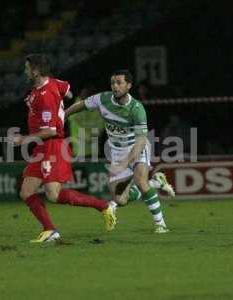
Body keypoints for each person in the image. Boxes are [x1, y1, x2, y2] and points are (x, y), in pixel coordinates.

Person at [11, 54, 117, 244]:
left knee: (53, 194)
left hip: (52, 145)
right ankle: (50, 230)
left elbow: (50, 130)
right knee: (26, 191)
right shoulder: (52, 84)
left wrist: (24, 139)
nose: (25, 71)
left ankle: (103, 206)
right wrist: (62, 104)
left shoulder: (46, 96)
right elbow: (67, 90)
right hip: (42, 148)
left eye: (27, 68)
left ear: (35, 71)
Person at [65, 70, 174, 233]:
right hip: (116, 151)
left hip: (137, 147)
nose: (115, 86)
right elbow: (81, 105)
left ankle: (161, 224)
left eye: (119, 83)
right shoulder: (102, 99)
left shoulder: (136, 109)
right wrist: (63, 116)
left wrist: (125, 163)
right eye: (112, 83)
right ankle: (156, 182)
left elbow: (141, 140)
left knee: (140, 181)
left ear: (128, 86)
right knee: (120, 199)